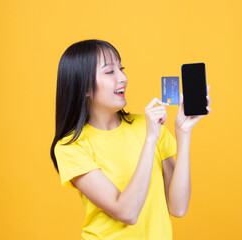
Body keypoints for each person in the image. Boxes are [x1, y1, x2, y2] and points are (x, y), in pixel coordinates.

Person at [50, 39, 211, 240]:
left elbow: (178, 207)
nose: (123, 77)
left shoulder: (147, 124)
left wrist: (183, 133)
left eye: (121, 68)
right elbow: (127, 212)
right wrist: (151, 138)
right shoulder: (71, 147)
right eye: (110, 71)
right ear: (85, 89)